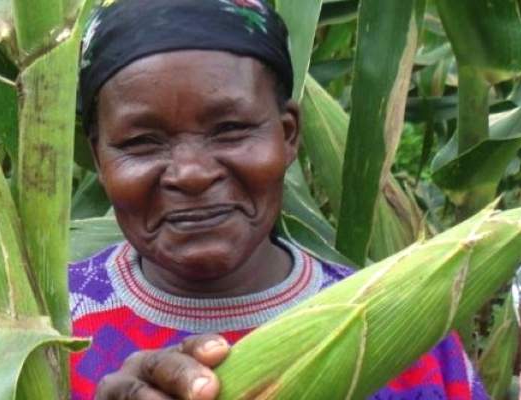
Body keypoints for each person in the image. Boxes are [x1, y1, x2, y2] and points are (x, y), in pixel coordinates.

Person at [69, 0, 489, 398]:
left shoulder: (401, 330)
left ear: (287, 135)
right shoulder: (47, 333)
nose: (192, 174)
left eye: (231, 129)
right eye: (143, 142)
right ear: (101, 159)